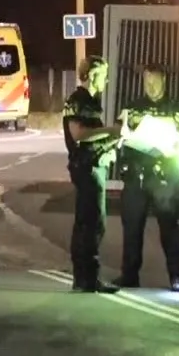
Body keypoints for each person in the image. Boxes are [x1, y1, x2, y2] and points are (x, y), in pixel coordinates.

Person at [114, 65, 179, 291]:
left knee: (169, 227)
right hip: (137, 175)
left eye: (154, 81)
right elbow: (119, 133)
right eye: (146, 82)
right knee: (132, 228)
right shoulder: (132, 107)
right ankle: (129, 275)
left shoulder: (177, 108)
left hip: (164, 176)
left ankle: (176, 276)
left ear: (164, 80)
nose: (150, 86)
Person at [61, 55, 119, 293]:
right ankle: (86, 278)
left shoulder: (88, 101)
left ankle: (85, 278)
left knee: (91, 222)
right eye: (103, 75)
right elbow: (79, 134)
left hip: (93, 165)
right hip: (86, 168)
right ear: (92, 74)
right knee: (91, 223)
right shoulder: (78, 100)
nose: (105, 81)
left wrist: (110, 144)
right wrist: (110, 131)